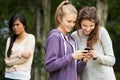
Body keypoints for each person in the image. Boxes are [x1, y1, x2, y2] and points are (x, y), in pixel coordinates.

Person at [44, 1, 92, 80]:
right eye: (69, 21)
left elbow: (76, 70)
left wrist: (84, 61)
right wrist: (72, 56)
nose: (72, 25)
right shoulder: (54, 37)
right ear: (59, 18)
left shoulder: (71, 39)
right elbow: (49, 65)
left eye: (74, 22)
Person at [72, 6, 116, 80]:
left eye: (91, 25)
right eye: (84, 25)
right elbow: (74, 64)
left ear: (95, 23)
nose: (88, 29)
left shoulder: (102, 32)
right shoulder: (74, 36)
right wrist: (83, 60)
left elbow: (112, 60)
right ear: (79, 23)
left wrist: (97, 57)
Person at [4, 13, 35, 80]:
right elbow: (7, 61)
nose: (15, 27)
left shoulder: (30, 38)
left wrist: (12, 59)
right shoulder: (9, 40)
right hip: (8, 76)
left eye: (17, 24)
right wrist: (20, 54)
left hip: (22, 77)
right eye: (13, 25)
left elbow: (25, 59)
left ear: (24, 25)